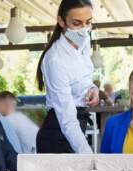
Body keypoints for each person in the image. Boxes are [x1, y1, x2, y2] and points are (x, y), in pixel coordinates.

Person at [36, 0, 99, 154]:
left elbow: (84, 76)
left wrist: (93, 88)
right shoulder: (55, 59)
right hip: (57, 135)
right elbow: (67, 119)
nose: (84, 29)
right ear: (61, 21)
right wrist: (88, 155)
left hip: (77, 128)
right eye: (77, 23)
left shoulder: (82, 41)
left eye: (88, 22)